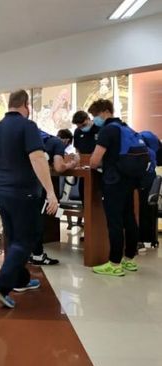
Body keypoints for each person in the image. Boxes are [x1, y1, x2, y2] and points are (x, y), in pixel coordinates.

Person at [0, 90, 59, 308]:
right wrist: (51, 192)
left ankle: (19, 280)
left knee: (12, 237)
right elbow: (37, 158)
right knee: (27, 238)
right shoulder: (28, 126)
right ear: (25, 105)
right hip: (23, 192)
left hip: (1, 189)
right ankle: (1, 284)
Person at [89, 99, 138, 276]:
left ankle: (114, 263)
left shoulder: (108, 130)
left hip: (113, 181)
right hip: (129, 180)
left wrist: (96, 164)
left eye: (95, 115)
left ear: (104, 111)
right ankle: (129, 259)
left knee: (114, 222)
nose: (95, 119)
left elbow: (94, 161)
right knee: (129, 218)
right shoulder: (126, 128)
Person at [30, 129, 78, 266]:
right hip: (38, 185)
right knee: (38, 218)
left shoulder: (32, 140)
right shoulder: (57, 143)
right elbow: (59, 167)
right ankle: (38, 255)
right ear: (66, 140)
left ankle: (26, 253)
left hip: (19, 184)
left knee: (26, 219)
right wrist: (73, 163)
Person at [72, 110, 101, 228]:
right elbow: (77, 150)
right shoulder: (78, 132)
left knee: (97, 201)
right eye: (79, 126)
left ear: (88, 119)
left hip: (99, 170)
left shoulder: (99, 129)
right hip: (84, 171)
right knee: (84, 198)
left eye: (83, 125)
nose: (81, 128)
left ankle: (98, 231)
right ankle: (88, 228)